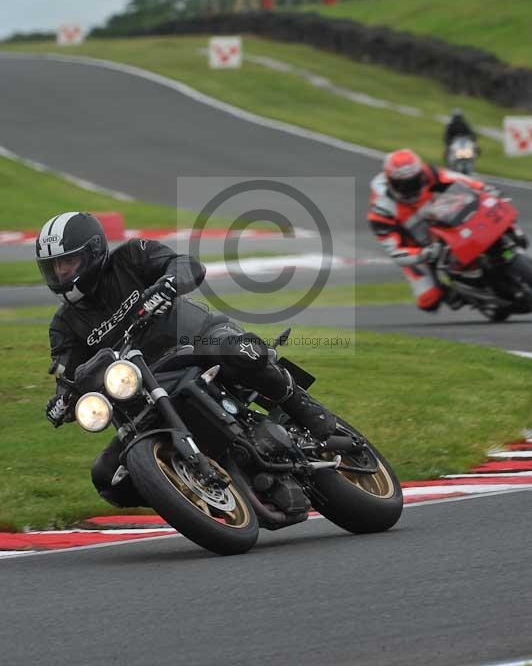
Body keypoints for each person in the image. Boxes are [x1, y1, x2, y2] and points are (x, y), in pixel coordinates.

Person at [37, 212, 335, 507]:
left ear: (92, 252)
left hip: (194, 342)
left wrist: (168, 283)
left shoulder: (131, 256)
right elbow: (70, 375)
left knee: (239, 351)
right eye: (54, 267)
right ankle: (186, 494)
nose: (61, 273)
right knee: (107, 478)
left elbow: (186, 264)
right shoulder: (63, 325)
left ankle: (302, 405)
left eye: (67, 263)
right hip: (143, 392)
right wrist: (62, 401)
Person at [367, 149, 486, 312]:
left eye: (415, 181)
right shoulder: (381, 210)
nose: (411, 188)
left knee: (486, 205)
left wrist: (483, 188)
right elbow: (396, 253)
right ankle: (457, 293)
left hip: (444, 220)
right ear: (390, 182)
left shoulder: (427, 172)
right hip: (417, 248)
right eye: (403, 185)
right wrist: (423, 253)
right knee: (429, 300)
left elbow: (456, 178)